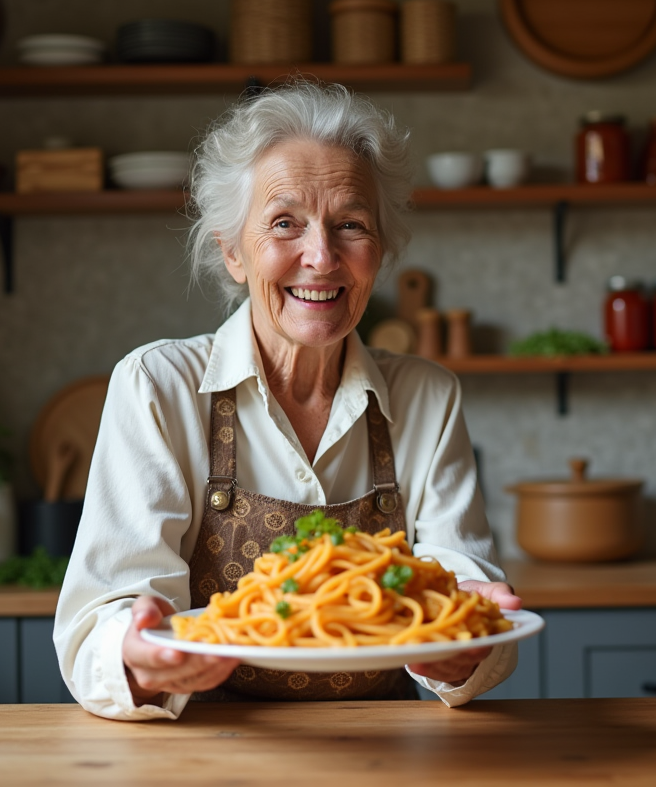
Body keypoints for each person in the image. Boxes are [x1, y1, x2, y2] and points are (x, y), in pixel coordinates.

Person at [54, 82, 521, 720]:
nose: (321, 256)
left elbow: (467, 595)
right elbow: (100, 627)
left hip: (385, 755)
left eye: (350, 225)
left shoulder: (426, 396)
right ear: (232, 252)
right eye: (284, 224)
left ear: (378, 251)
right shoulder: (157, 384)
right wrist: (137, 659)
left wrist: (467, 648)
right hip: (206, 752)